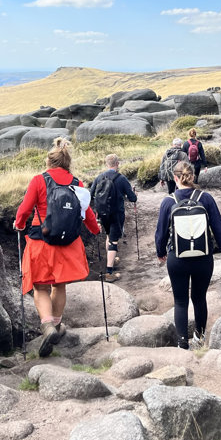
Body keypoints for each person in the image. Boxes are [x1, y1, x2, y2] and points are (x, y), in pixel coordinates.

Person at [14, 138, 101, 357]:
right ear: (67, 163)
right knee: (59, 285)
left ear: (49, 162)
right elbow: (87, 212)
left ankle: (47, 326)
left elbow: (25, 209)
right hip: (67, 243)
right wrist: (96, 230)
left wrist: (19, 224)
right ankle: (57, 325)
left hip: (40, 241)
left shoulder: (38, 180)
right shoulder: (77, 183)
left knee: (40, 287)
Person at [154, 161, 221, 349]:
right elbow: (219, 229)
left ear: (175, 178)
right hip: (203, 259)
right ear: (193, 177)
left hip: (177, 259)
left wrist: (160, 252)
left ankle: (182, 343)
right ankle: (199, 340)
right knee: (200, 299)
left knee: (180, 301)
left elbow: (160, 233)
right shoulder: (205, 198)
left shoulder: (168, 201)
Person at [91, 153, 138, 281]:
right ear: (117, 164)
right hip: (116, 214)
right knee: (114, 241)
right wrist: (133, 193)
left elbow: (91, 194)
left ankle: (111, 259)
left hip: (102, 214)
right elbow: (133, 198)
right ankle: (109, 272)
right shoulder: (122, 179)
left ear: (107, 164)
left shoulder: (99, 177)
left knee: (108, 236)